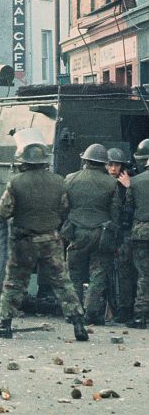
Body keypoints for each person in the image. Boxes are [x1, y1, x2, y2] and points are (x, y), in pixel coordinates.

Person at [0, 132, 88, 341]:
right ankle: (79, 325)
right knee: (62, 282)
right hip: (51, 239)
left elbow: (2, 212)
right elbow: (64, 208)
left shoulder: (16, 182)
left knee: (15, 282)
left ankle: (4, 325)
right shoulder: (59, 181)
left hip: (23, 240)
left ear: (24, 161)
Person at [63, 143, 121, 326]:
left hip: (76, 232)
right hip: (101, 233)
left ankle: (74, 312)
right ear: (104, 163)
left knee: (74, 274)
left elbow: (63, 207)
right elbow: (116, 212)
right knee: (98, 274)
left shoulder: (70, 179)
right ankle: (91, 313)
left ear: (85, 160)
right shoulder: (112, 183)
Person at [106, 147, 136, 323]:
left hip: (124, 233)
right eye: (110, 164)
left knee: (125, 272)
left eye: (116, 165)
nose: (113, 169)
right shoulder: (103, 183)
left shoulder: (128, 184)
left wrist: (129, 187)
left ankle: (124, 309)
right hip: (108, 232)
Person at [124, 138, 149, 328]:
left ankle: (140, 317)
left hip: (142, 234)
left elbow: (128, 210)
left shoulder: (136, 182)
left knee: (144, 276)